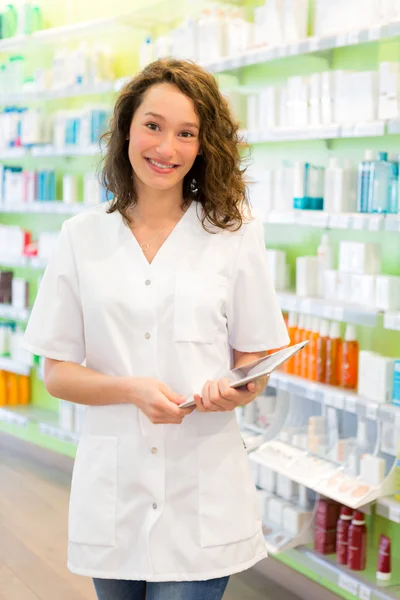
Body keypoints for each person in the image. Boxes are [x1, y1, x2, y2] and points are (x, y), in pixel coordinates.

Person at [22, 58, 290, 600]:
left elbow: (257, 357)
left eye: (186, 133)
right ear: (125, 130)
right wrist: (132, 390)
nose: (166, 148)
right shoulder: (82, 237)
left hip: (201, 496)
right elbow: (57, 373)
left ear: (202, 145)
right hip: (114, 490)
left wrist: (235, 388)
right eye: (153, 125)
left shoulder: (234, 233)